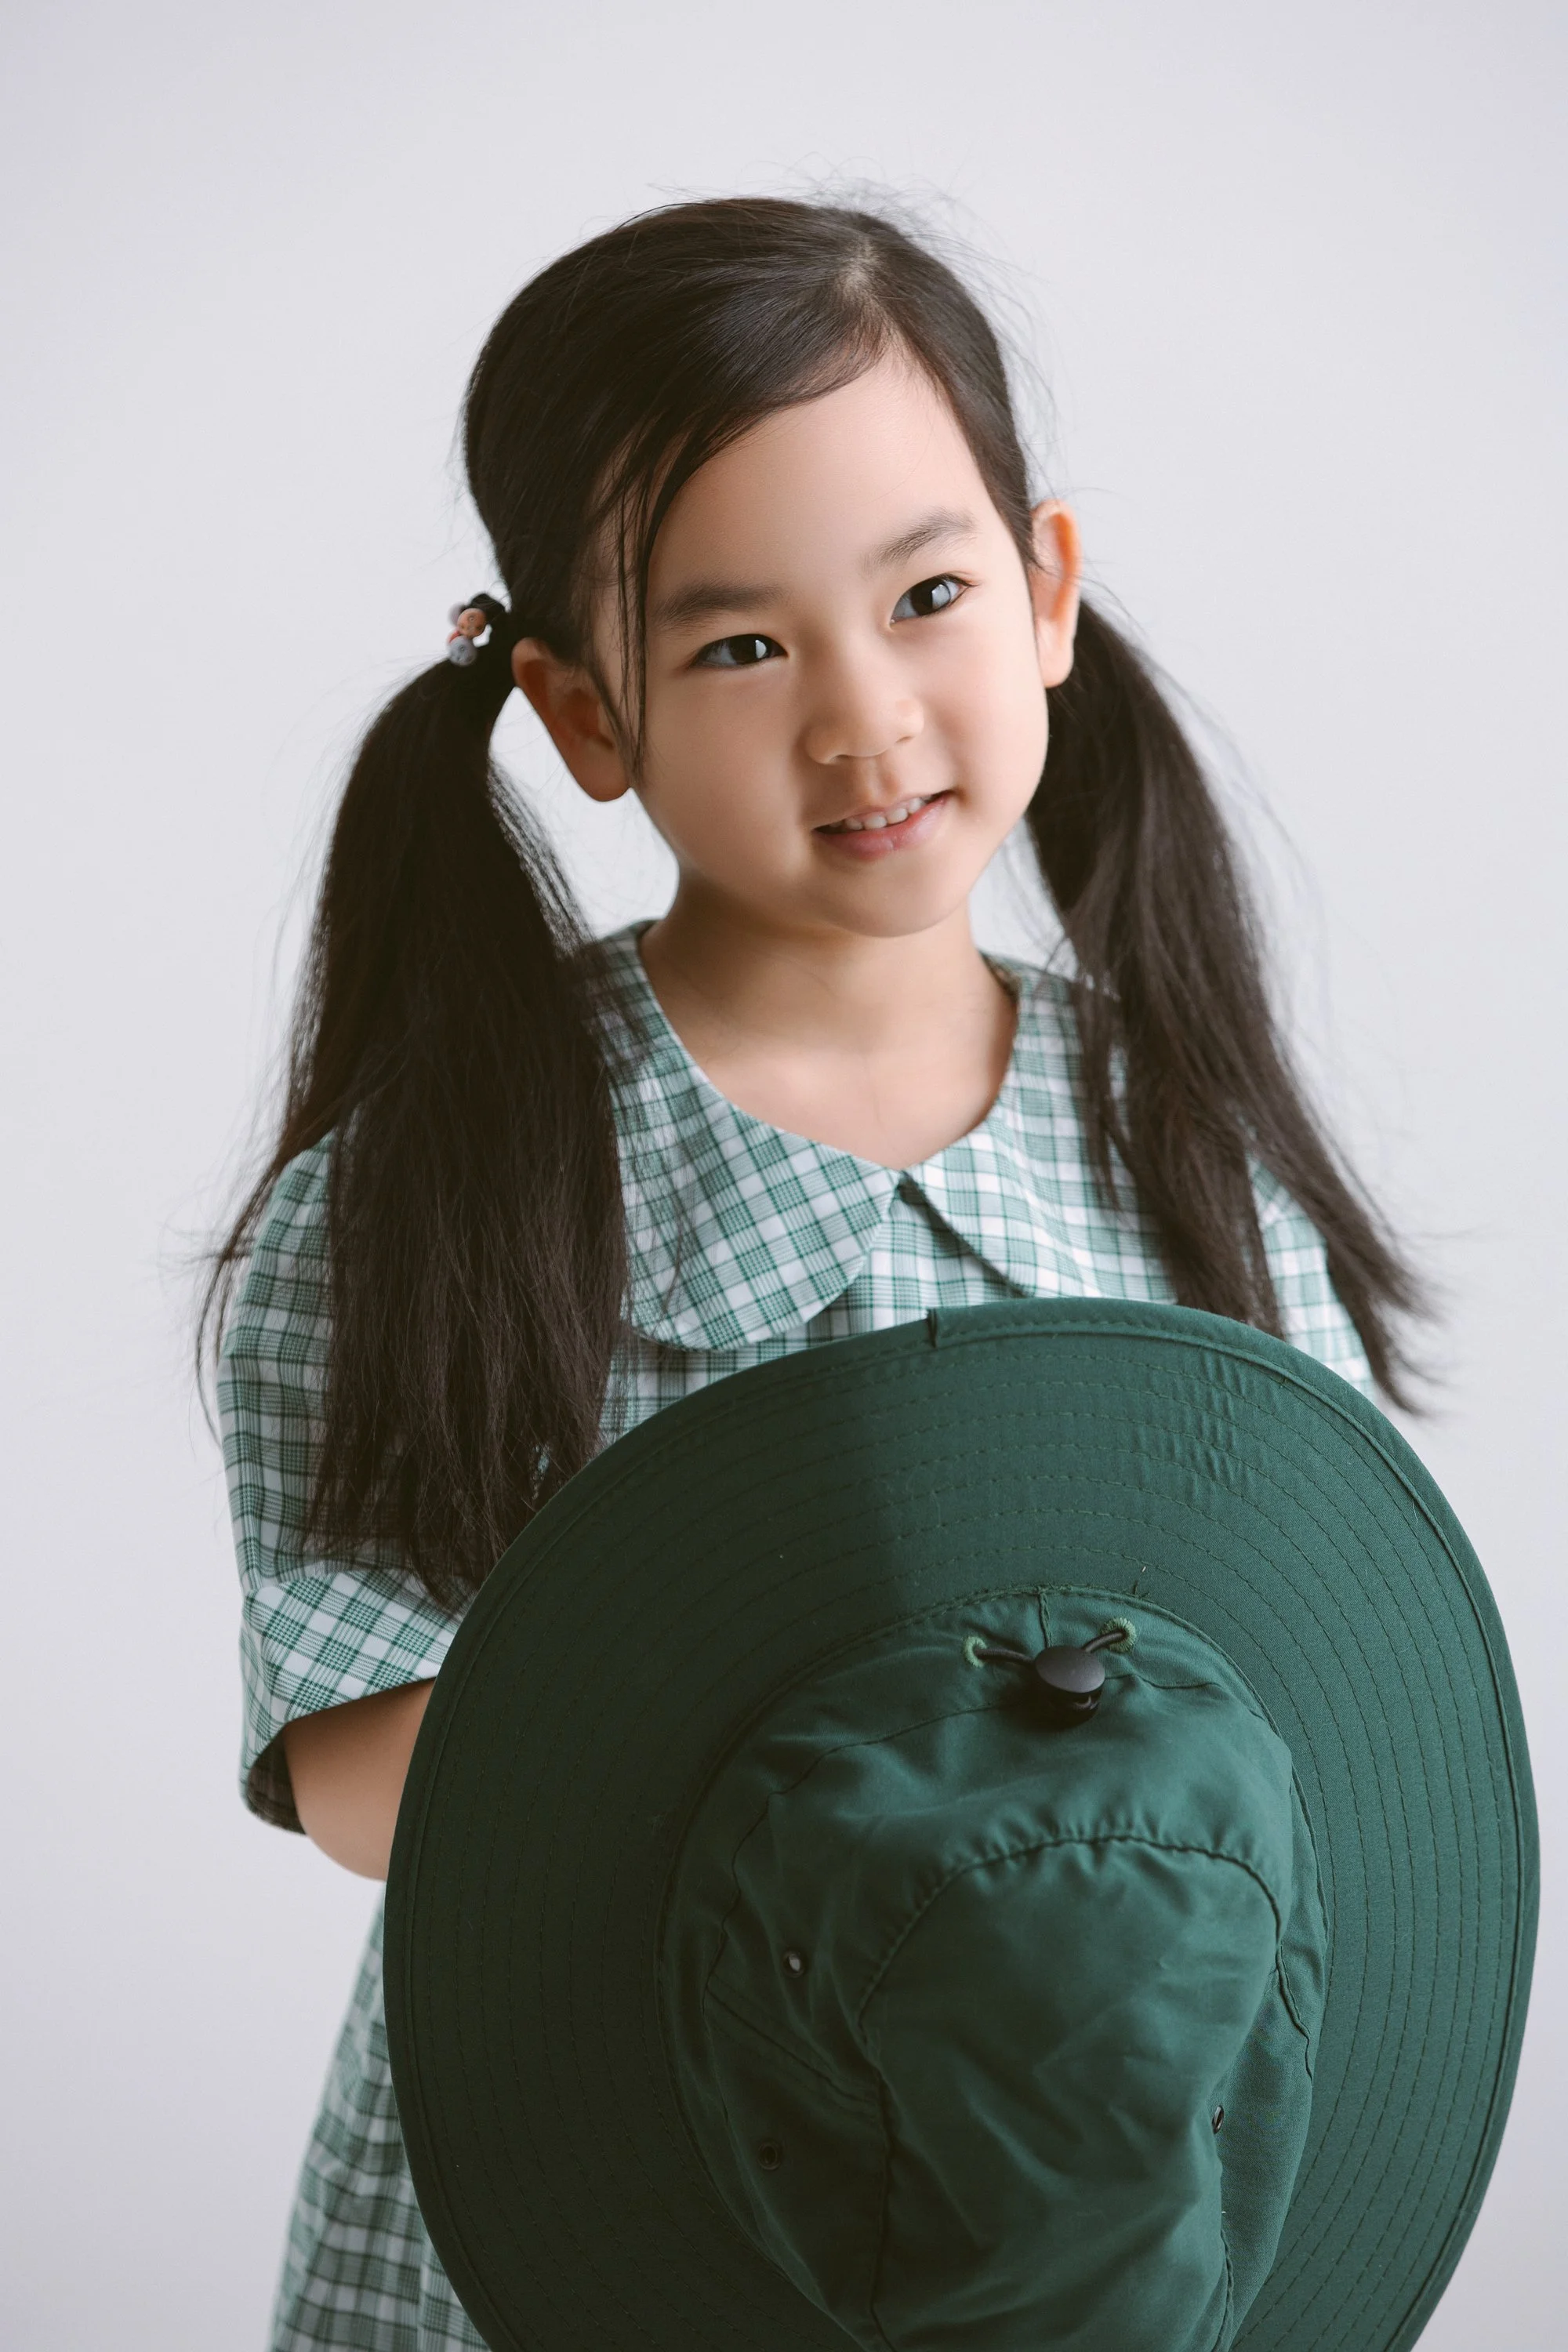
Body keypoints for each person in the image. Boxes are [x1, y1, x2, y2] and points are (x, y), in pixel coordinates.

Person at [209, 194, 1419, 2350]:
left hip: (1067, 2221)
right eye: (742, 644)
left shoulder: (1186, 1150)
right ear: (588, 712)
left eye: (929, 596)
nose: (865, 720)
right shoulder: (437, 1192)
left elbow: (1317, 1681)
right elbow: (363, 1768)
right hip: (573, 2200)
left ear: (1044, 592)